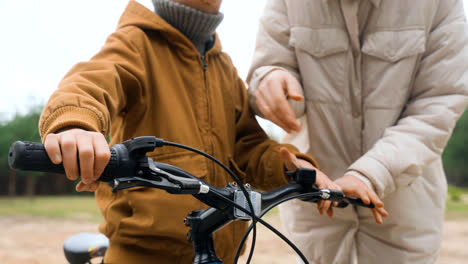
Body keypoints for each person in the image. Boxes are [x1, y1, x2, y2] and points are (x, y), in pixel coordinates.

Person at [37, 0, 374, 263]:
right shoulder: (136, 43)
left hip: (222, 245)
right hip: (146, 253)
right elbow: (91, 83)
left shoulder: (222, 65)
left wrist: (291, 167)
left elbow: (247, 145)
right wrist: (75, 125)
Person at [247, 0, 468, 263]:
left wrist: (371, 174)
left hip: (404, 214)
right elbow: (269, 68)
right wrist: (270, 80)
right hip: (315, 212)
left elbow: (439, 103)